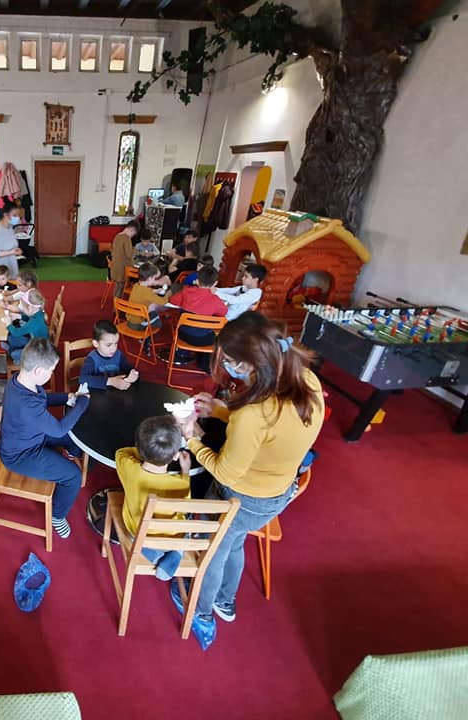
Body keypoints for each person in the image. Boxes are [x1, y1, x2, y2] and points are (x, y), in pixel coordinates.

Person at [178, 312, 325, 649]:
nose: (227, 368)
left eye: (228, 361)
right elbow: (271, 428)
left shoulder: (253, 413)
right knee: (234, 543)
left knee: (213, 550)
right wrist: (219, 410)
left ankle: (202, 611)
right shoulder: (306, 379)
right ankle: (225, 601)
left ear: (245, 364)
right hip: (276, 495)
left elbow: (226, 472)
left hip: (241, 497)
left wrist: (191, 440)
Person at [0, 338, 90, 539]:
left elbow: (42, 399)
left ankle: (67, 457)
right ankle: (57, 516)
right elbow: (58, 430)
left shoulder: (20, 381)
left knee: (73, 438)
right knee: (73, 476)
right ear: (39, 371)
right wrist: (82, 402)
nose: (51, 374)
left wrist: (67, 398)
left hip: (27, 437)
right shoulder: (27, 404)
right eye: (51, 370)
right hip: (20, 455)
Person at [115, 415, 192, 580]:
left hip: (139, 532)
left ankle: (153, 553)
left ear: (139, 447)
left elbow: (121, 452)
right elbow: (184, 508)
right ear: (175, 456)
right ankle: (176, 550)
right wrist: (185, 472)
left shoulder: (129, 468)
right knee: (188, 520)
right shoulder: (180, 483)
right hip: (173, 536)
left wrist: (145, 450)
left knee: (137, 532)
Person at [169, 266, 229, 348]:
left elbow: (172, 300)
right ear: (215, 283)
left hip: (182, 333)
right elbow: (224, 312)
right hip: (202, 338)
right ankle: (202, 356)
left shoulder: (186, 291)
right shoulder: (215, 299)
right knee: (219, 336)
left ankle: (181, 352)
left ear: (197, 280)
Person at [79, 319, 139, 390]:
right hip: (99, 394)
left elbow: (128, 368)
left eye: (116, 343)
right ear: (96, 343)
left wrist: (134, 374)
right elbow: (82, 379)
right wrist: (110, 381)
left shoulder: (118, 355)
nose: (114, 349)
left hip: (116, 392)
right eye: (108, 345)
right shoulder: (92, 359)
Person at [5, 290, 48, 363]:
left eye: (23, 308)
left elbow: (17, 333)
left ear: (30, 307)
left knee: (14, 354)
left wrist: (8, 324)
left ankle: (17, 358)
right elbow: (30, 318)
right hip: (36, 342)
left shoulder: (35, 322)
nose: (23, 310)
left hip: (38, 352)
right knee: (13, 340)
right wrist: (19, 316)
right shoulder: (39, 312)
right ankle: (12, 347)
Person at [127, 262, 171, 331]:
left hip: (130, 321)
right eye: (155, 278)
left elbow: (143, 293)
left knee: (151, 308)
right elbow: (163, 301)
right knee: (156, 313)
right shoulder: (148, 293)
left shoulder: (136, 285)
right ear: (150, 278)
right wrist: (168, 293)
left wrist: (155, 291)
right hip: (138, 324)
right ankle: (149, 332)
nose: (155, 281)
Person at [0, 206, 23, 279]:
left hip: (11, 267)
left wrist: (15, 251)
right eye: (14, 215)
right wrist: (10, 252)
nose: (17, 218)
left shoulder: (10, 228)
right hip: (1, 272)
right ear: (6, 215)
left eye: (18, 215)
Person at [110, 219, 140, 298]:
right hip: (122, 268)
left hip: (114, 267)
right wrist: (135, 250)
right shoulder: (126, 239)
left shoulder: (117, 236)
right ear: (132, 230)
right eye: (133, 234)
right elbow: (129, 254)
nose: (132, 236)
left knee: (118, 285)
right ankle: (117, 303)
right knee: (121, 286)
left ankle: (115, 300)